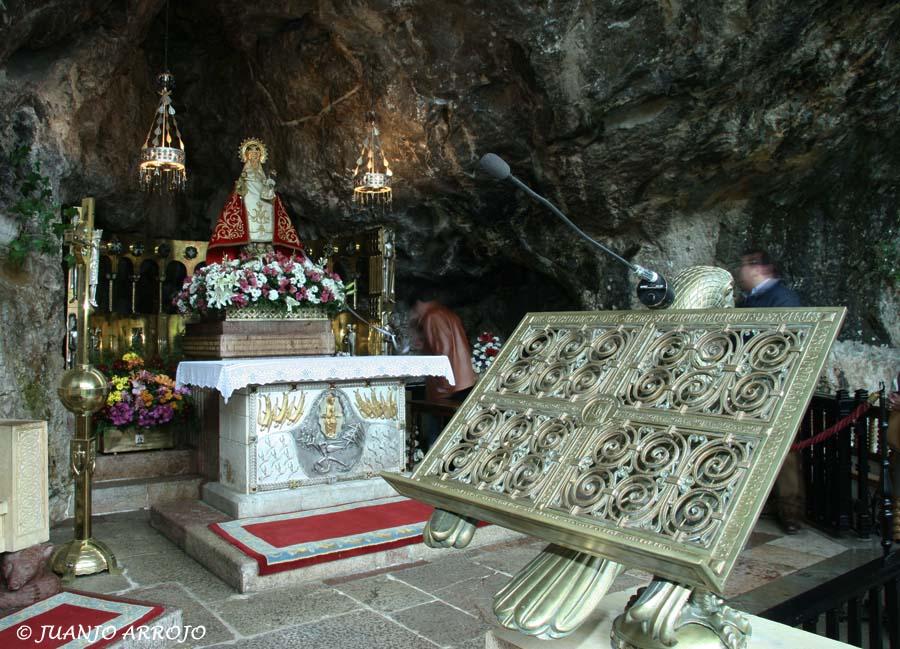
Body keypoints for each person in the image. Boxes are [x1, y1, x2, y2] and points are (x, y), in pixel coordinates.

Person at [736, 248, 803, 533]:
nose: (739, 272)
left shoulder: (783, 299)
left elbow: (786, 345)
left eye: (743, 266)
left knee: (783, 450)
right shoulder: (749, 300)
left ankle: (790, 512)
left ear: (757, 267)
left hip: (774, 387)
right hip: (749, 386)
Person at [206, 138, 304, 264]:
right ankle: (250, 251)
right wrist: (240, 187)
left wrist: (270, 184)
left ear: (260, 157)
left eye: (257, 155)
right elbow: (238, 193)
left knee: (267, 223)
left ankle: (267, 251)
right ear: (247, 157)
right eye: (252, 155)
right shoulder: (244, 175)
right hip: (249, 204)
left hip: (265, 206)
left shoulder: (263, 177)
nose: (254, 157)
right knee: (250, 225)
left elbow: (271, 195)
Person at [410, 295, 477, 449]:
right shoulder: (445, 312)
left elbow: (443, 350)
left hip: (451, 382)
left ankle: (435, 455)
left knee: (440, 427)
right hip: (462, 378)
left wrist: (443, 385)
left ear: (418, 303)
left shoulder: (432, 317)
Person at [736, 248, 802, 308]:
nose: (740, 270)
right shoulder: (750, 299)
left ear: (757, 269)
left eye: (743, 265)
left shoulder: (784, 299)